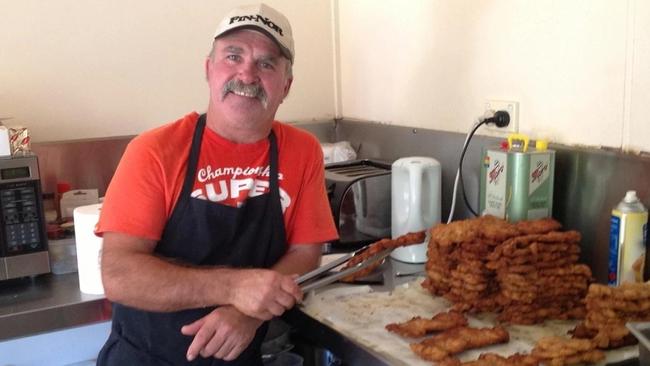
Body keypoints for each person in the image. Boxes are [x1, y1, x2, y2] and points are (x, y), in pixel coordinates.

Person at [95, 3, 338, 365]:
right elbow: (119, 274)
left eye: (266, 63)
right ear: (209, 69)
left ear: (286, 85)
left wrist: (250, 313)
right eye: (233, 56)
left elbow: (306, 254)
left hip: (241, 357)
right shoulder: (154, 151)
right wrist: (236, 289)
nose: (247, 74)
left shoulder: (302, 151)